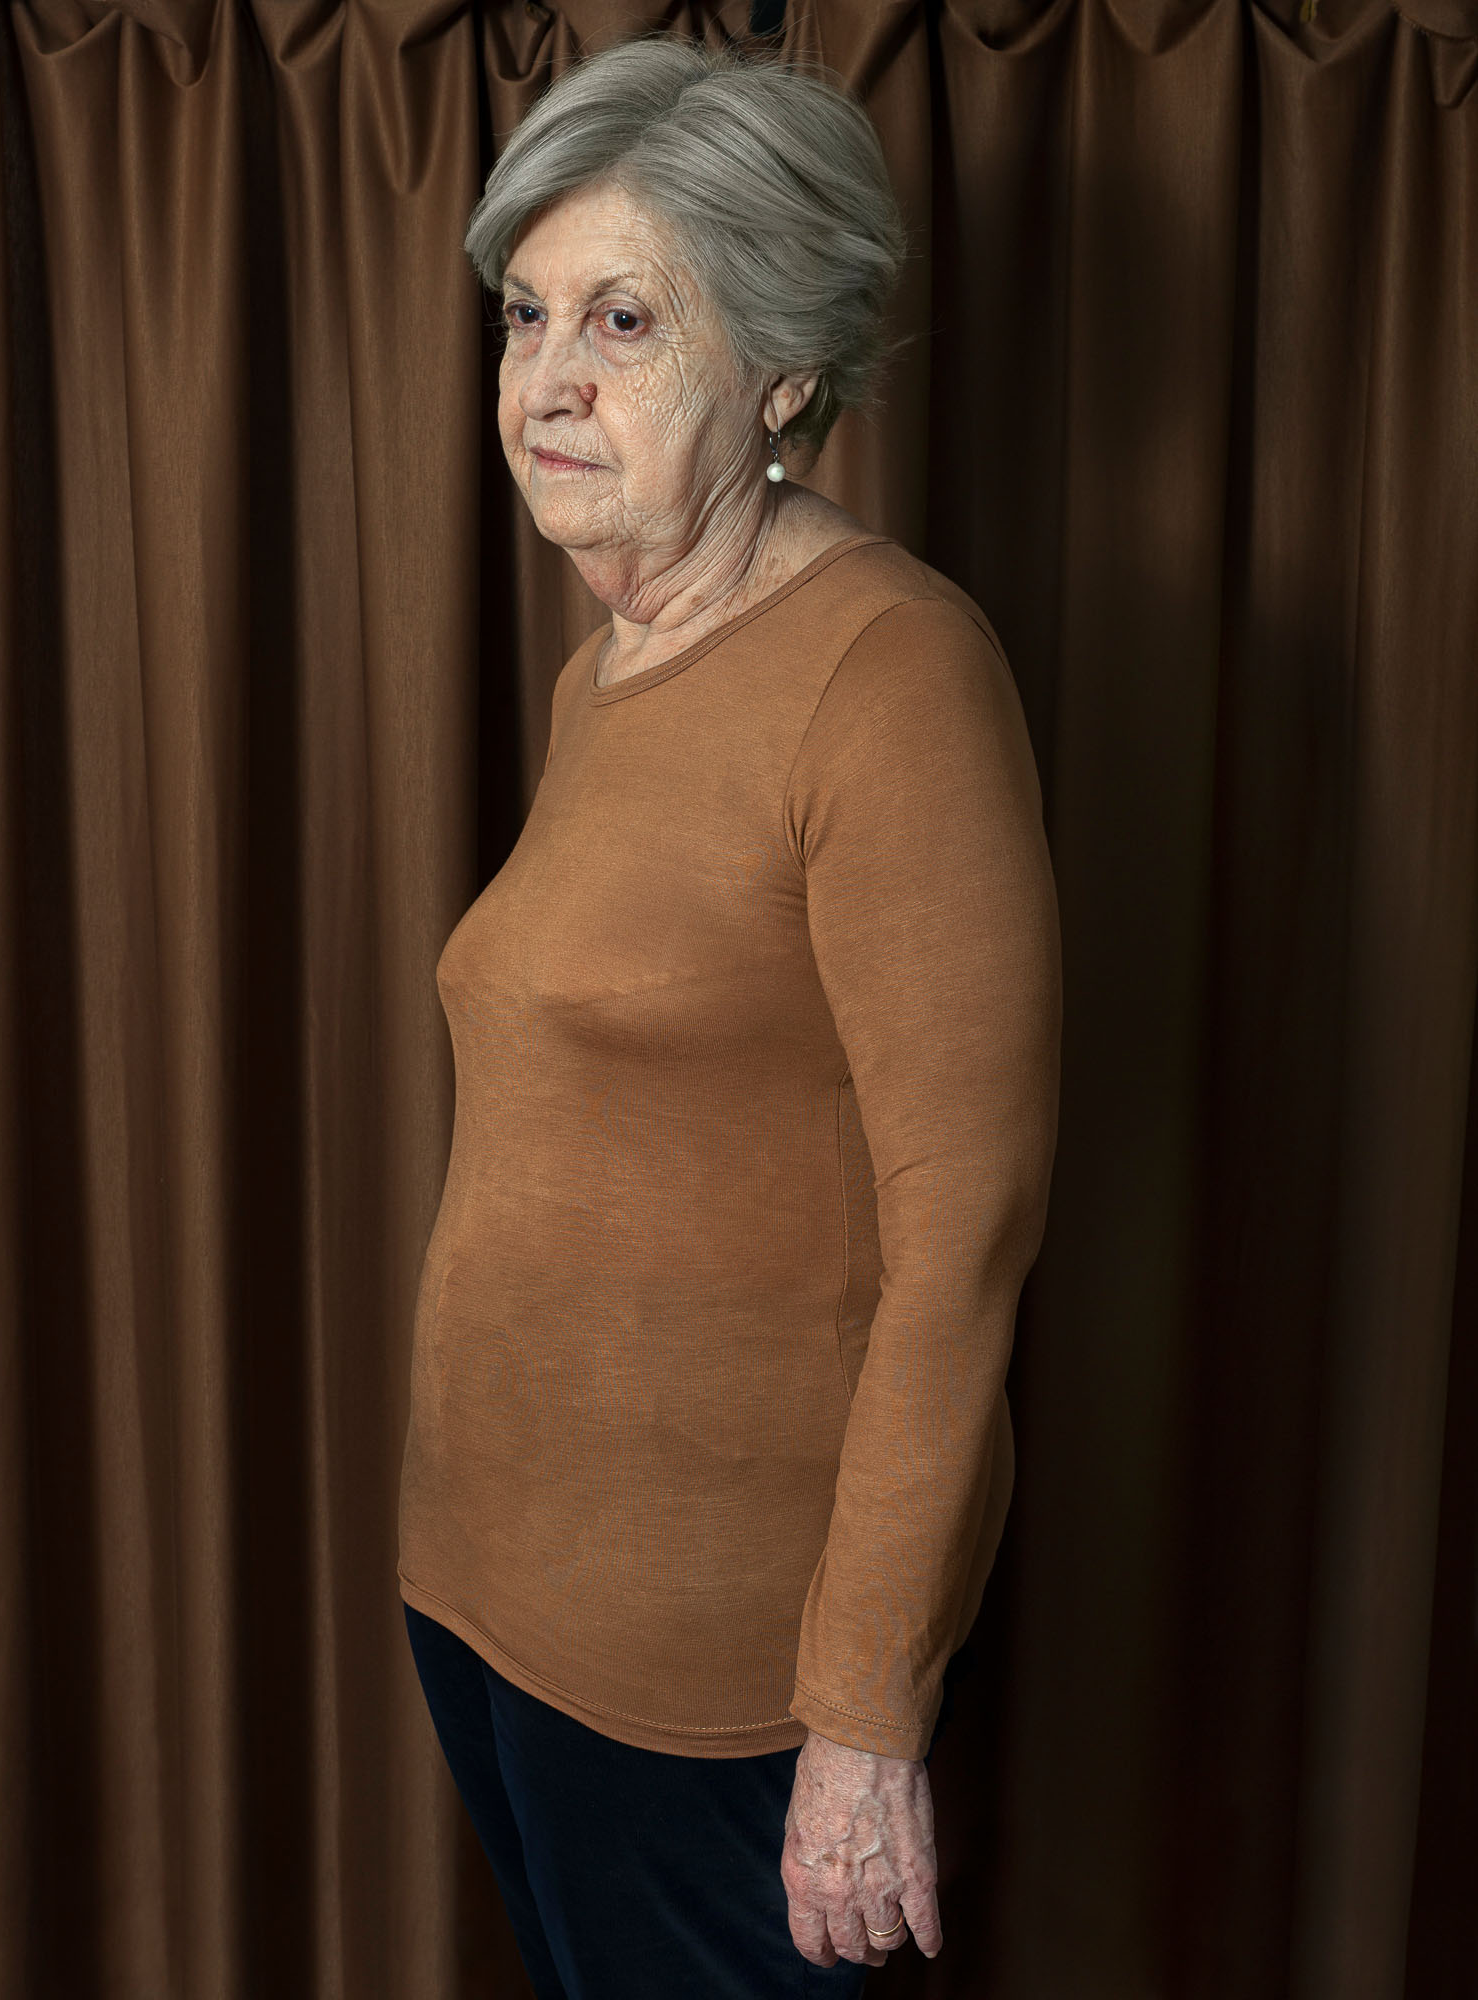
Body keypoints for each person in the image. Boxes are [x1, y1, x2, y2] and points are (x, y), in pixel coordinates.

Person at [397, 33, 1063, 2000]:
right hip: (492, 1586)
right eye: (525, 316)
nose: (546, 380)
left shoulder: (891, 676)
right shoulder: (613, 663)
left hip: (710, 1672)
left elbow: (963, 1246)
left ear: (781, 368)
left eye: (623, 319)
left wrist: (862, 1712)